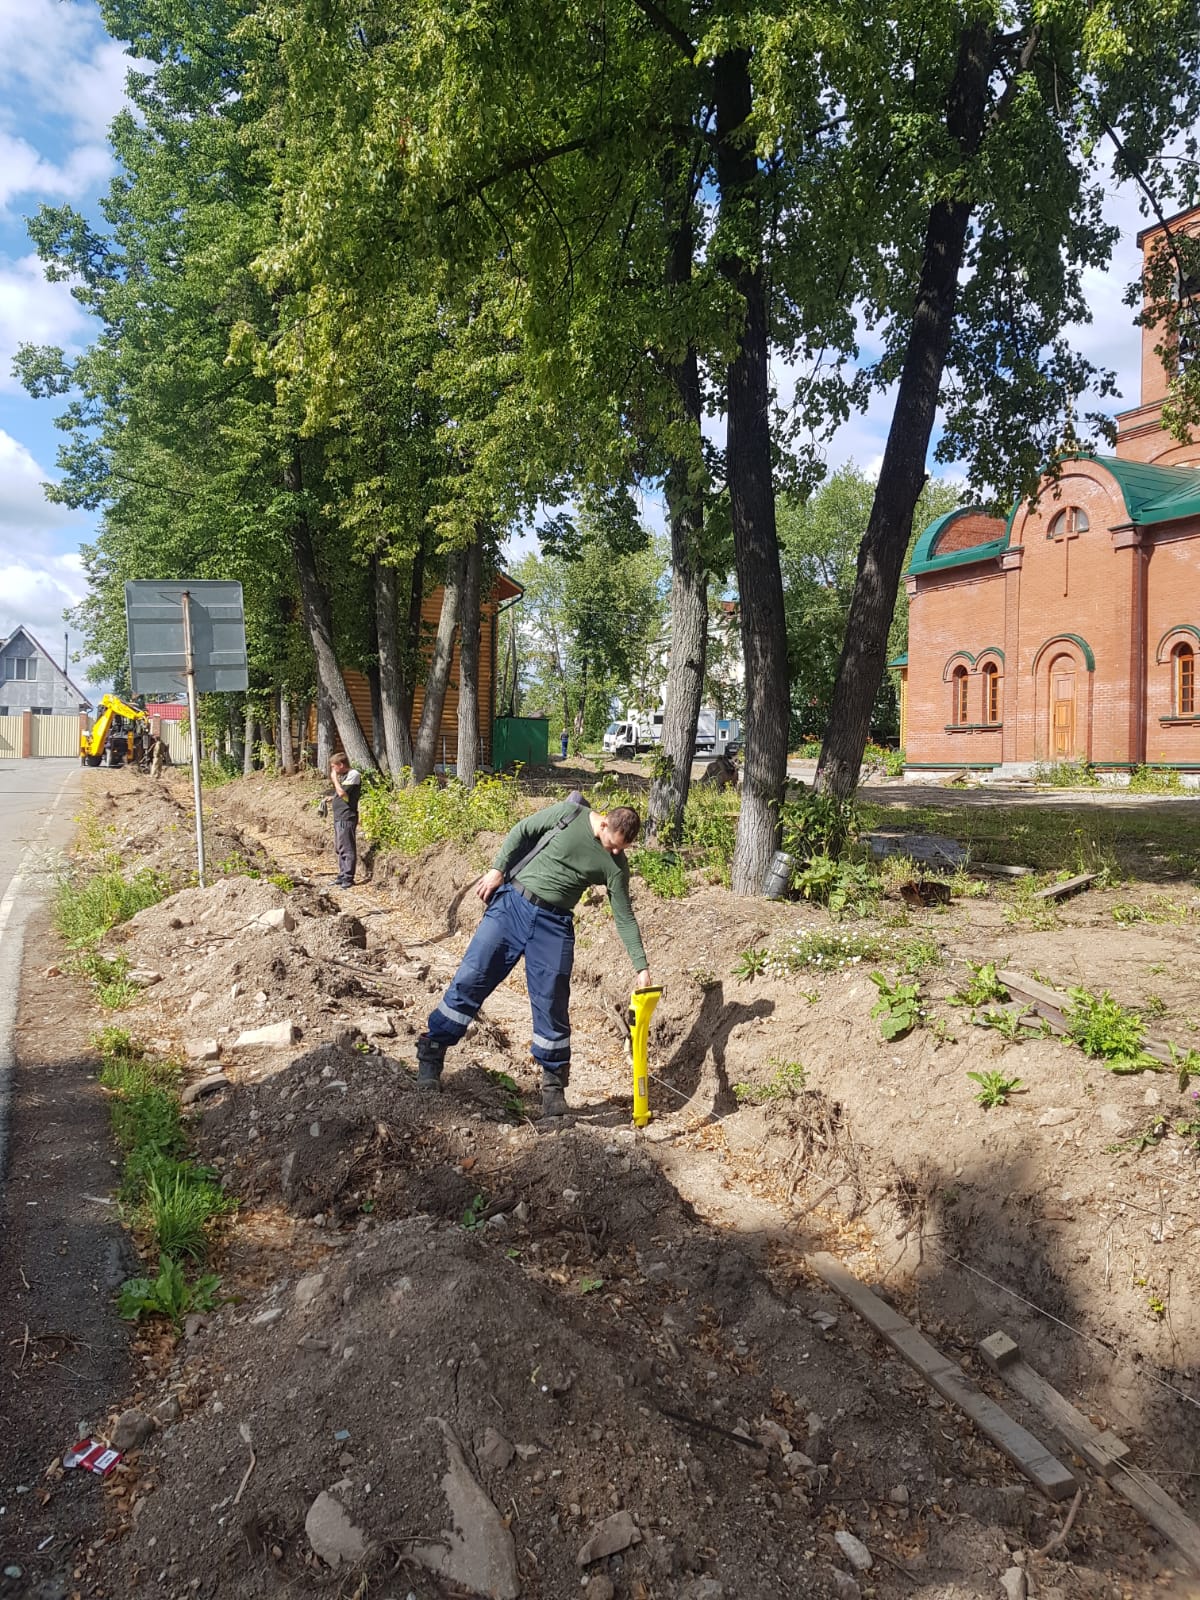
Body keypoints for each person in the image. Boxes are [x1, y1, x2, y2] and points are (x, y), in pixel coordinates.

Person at [416, 799, 651, 1117]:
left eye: (620, 849)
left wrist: (641, 966)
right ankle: (431, 1054)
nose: (613, 853)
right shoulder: (569, 815)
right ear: (605, 824)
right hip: (513, 905)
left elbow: (624, 915)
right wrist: (497, 869)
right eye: (612, 845)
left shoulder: (616, 864)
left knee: (552, 1002)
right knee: (472, 977)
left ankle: (553, 1092)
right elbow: (522, 829)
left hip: (554, 926)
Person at [327, 752, 361, 888]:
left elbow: (343, 794)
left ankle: (348, 877)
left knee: (347, 847)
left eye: (334, 767)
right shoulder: (346, 776)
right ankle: (342, 875)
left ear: (341, 765)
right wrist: (331, 798)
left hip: (347, 816)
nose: (333, 770)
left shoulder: (354, 774)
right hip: (340, 816)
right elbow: (341, 794)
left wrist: (334, 779)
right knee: (340, 847)